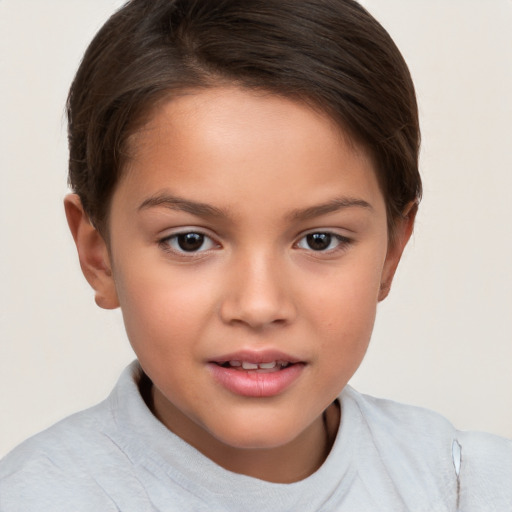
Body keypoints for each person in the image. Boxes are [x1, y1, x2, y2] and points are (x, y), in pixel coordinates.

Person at [1, 0, 510, 510]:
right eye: (190, 240)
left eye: (319, 240)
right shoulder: (32, 496)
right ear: (99, 256)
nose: (260, 304)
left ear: (391, 252)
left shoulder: (471, 487)